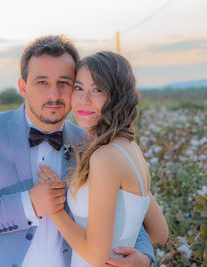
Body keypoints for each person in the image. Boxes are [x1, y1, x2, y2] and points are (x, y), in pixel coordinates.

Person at [0, 35, 157, 267]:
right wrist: (27, 205)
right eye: (42, 82)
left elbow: (126, 213)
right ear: (23, 87)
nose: (54, 95)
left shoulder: (90, 145)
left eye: (64, 82)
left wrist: (144, 258)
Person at [38, 51, 168, 266]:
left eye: (97, 90)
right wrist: (143, 258)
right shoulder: (128, 147)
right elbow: (159, 232)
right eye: (78, 88)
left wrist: (54, 208)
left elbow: (96, 257)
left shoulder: (105, 157)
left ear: (117, 96)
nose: (84, 100)